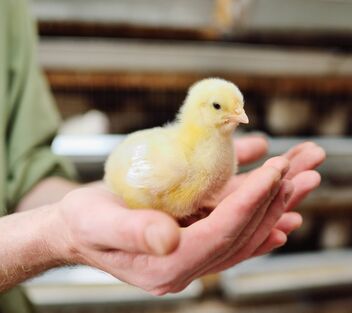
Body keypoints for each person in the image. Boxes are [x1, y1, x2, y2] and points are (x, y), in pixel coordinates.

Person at [0, 0, 325, 312]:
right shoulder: (173, 160)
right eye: (220, 108)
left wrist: (88, 218)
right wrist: (53, 234)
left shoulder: (10, 9)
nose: (238, 115)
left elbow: (27, 170)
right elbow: (130, 171)